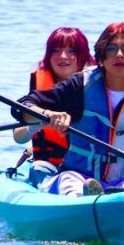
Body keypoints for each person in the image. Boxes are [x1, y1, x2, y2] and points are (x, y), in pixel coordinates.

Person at [12, 21, 124, 197]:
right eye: (111, 48)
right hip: (79, 176)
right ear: (101, 57)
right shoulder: (78, 87)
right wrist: (46, 114)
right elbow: (22, 106)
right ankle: (86, 201)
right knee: (70, 181)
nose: (119, 54)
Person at [12, 27, 95, 186]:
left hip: (89, 165)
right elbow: (18, 137)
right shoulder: (41, 92)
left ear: (83, 55)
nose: (63, 56)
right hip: (48, 164)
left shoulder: (97, 85)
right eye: (56, 51)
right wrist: (34, 125)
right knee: (40, 169)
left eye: (71, 51)